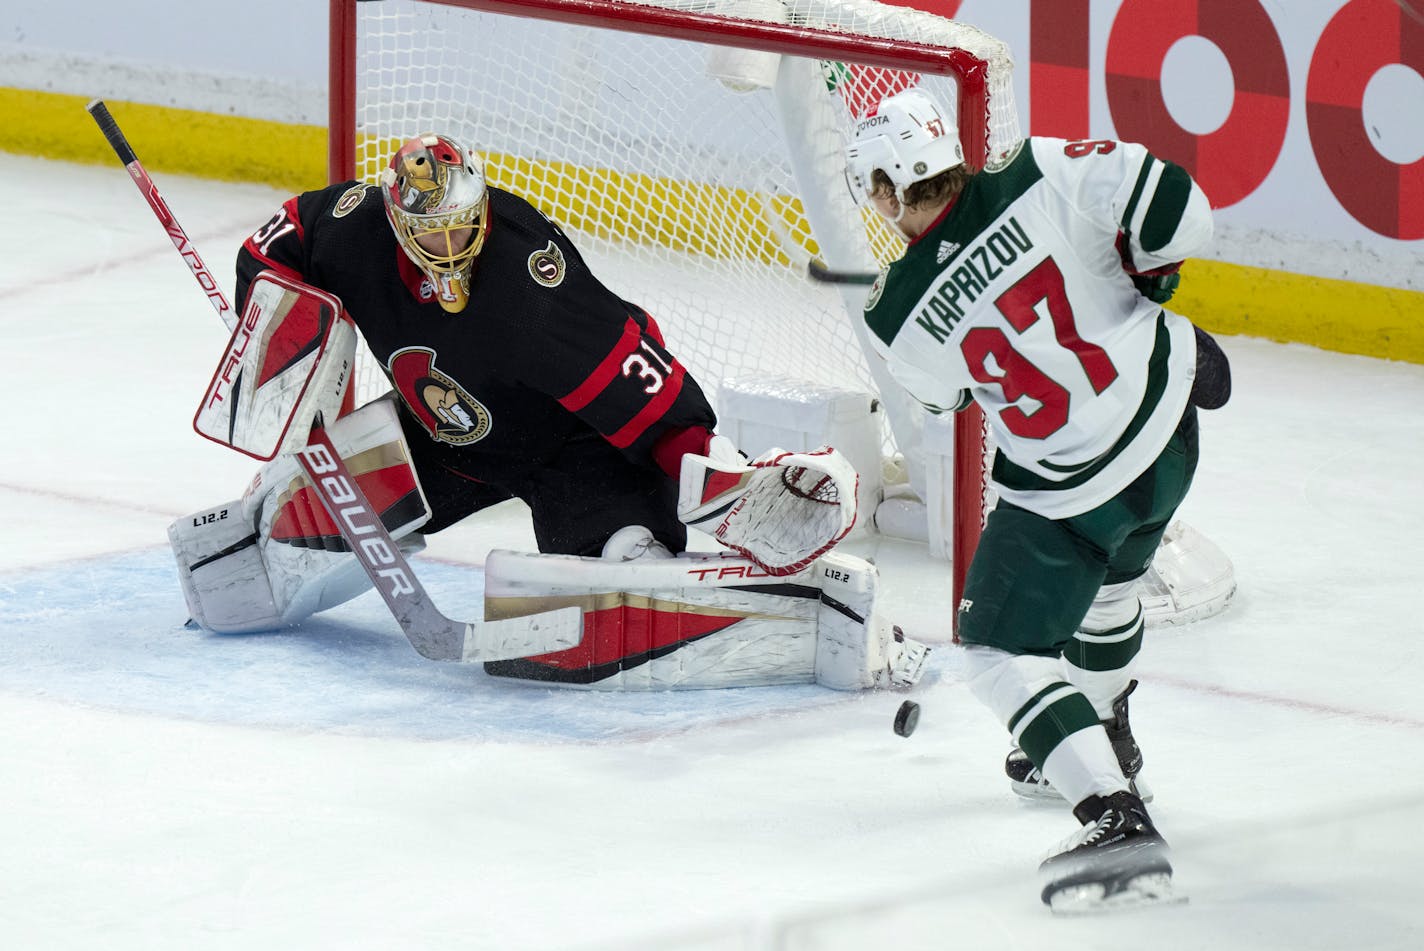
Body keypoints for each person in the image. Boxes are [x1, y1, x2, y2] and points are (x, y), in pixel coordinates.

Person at [169, 131, 925, 692]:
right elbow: (277, 243)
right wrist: (284, 334)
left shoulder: (530, 279)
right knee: (289, 532)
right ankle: (268, 525)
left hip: (574, 446)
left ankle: (794, 613)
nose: (450, 241)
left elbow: (637, 380)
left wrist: (706, 469)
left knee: (623, 572)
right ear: (397, 224)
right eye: (430, 231)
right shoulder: (356, 226)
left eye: (462, 222)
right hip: (447, 439)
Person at [843, 88, 1230, 911]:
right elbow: (1181, 210)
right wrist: (1156, 281)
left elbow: (949, 396)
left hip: (1072, 490)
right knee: (1112, 592)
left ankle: (1113, 814)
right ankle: (1107, 734)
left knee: (991, 645)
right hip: (1169, 434)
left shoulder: (895, 312)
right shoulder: (1041, 168)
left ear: (885, 185)